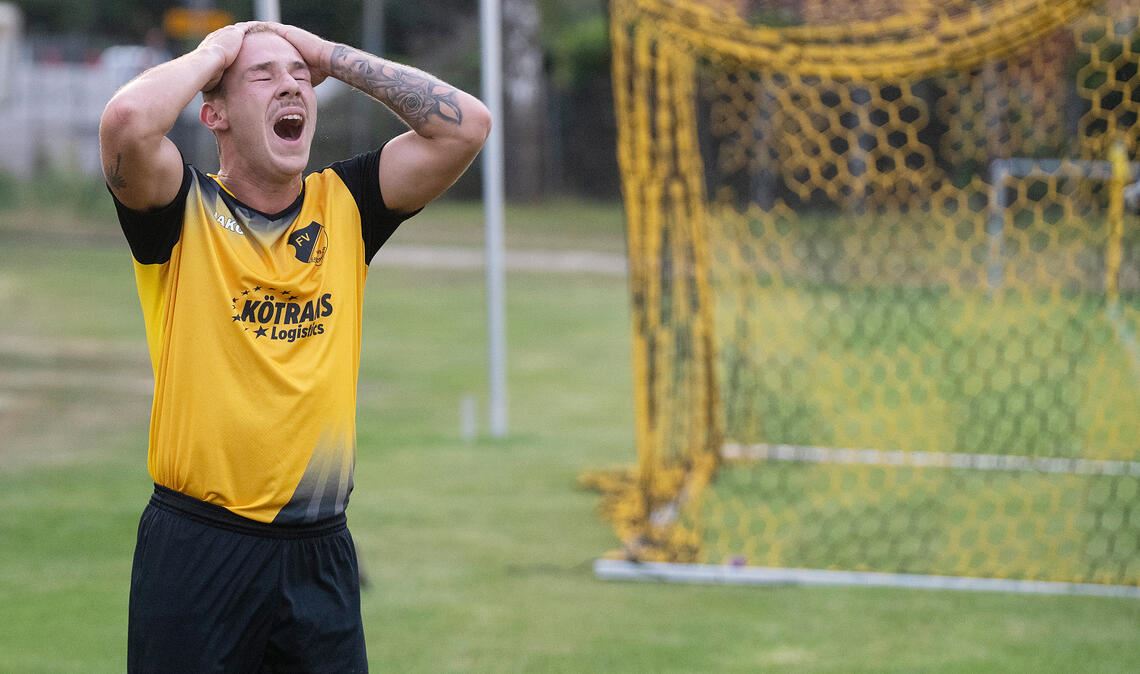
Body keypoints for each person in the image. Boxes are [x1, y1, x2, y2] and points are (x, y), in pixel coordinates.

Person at [99, 21, 490, 672]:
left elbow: (466, 126)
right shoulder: (182, 207)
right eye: (263, 75)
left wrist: (329, 55)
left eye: (298, 77)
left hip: (321, 555)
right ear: (214, 112)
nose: (290, 86)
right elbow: (126, 123)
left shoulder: (348, 204)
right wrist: (214, 53)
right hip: (200, 547)